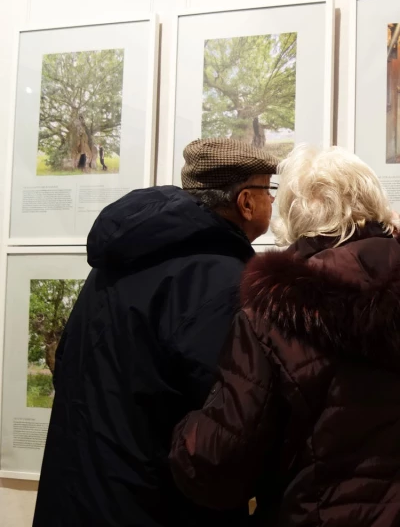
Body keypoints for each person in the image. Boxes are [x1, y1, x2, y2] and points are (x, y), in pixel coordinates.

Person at [169, 145, 400, 526]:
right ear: (371, 200)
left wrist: (181, 430)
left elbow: (217, 462)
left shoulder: (271, 316)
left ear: (293, 213)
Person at [33, 138, 279, 527]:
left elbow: (67, 363)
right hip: (153, 503)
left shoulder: (121, 257)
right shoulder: (220, 279)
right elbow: (226, 421)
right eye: (270, 190)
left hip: (80, 492)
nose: (273, 202)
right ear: (246, 201)